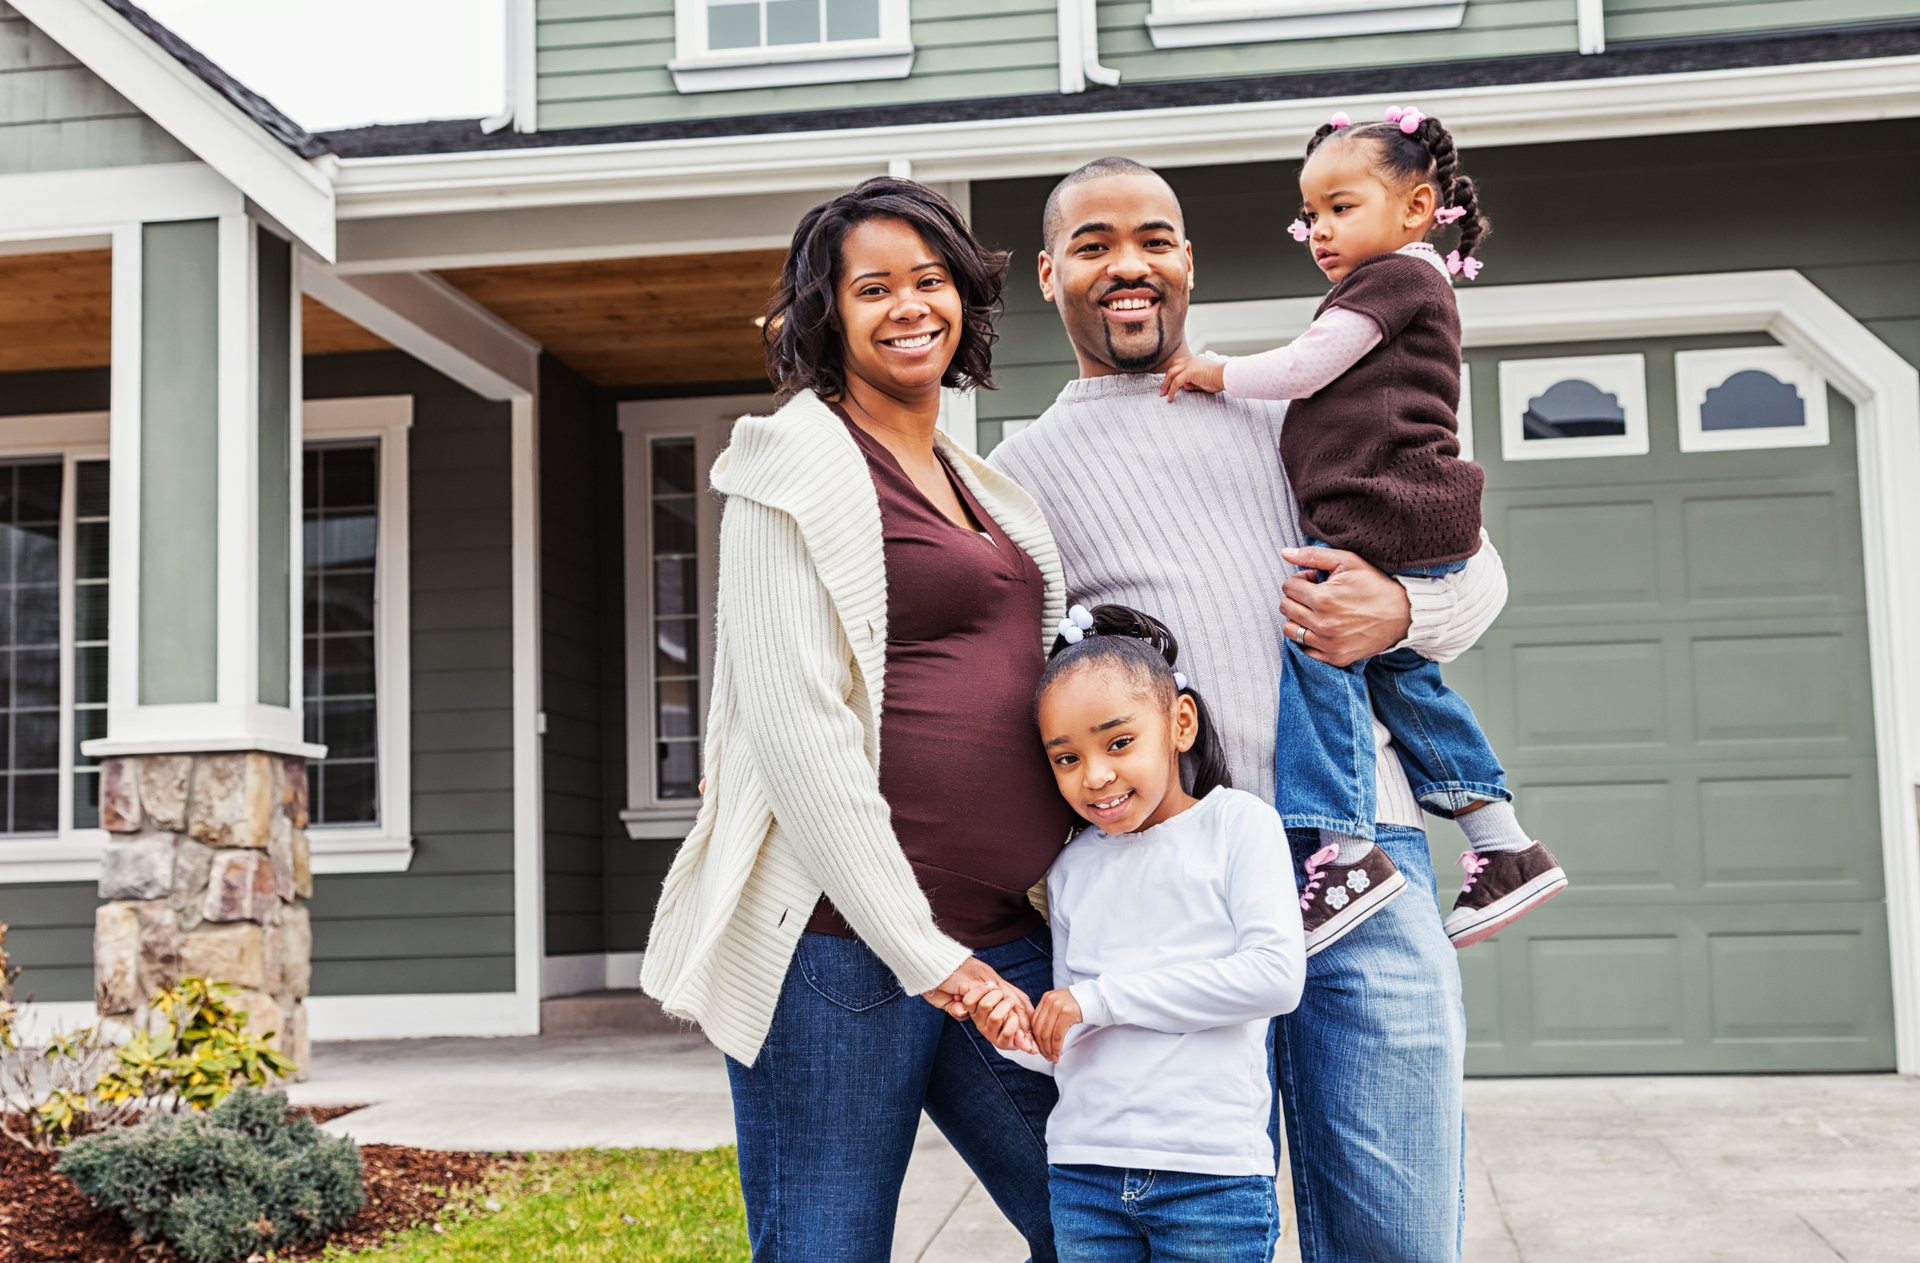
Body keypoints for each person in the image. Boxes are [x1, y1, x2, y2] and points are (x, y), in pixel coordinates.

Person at [987, 155, 1507, 1263]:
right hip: (1172, 895)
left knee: (1397, 1235)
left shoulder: (1293, 398)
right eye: (1093, 245)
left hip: (1361, 859)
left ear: (1188, 260)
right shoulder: (1019, 474)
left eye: (1154, 239)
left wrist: (1400, 609)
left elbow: (1479, 580)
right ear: (1047, 274)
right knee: (1194, 1232)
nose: (1128, 266)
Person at [640, 177, 1073, 1262]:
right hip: (841, 953)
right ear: (827, 315)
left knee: (1107, 1221)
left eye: (931, 281)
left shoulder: (977, 482)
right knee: (825, 1247)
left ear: (968, 299)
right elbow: (802, 739)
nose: (909, 307)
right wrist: (922, 952)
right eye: (872, 287)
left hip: (999, 937)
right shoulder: (794, 464)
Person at [1159, 108, 1567, 953]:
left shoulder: (1393, 280)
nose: (1319, 230)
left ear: (1417, 208)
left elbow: (1307, 366)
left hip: (1387, 510)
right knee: (1404, 680)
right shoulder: (1408, 283)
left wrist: (1215, 372)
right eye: (1310, 214)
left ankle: (1348, 851)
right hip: (1412, 513)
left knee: (1320, 649)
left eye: (1341, 207)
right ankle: (1505, 843)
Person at [963, 604, 1306, 1263]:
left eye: (1118, 742)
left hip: (1210, 1176)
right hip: (1083, 1172)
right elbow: (1077, 1034)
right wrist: (1020, 1036)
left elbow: (1274, 976)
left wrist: (1097, 999)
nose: (1094, 775)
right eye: (1066, 758)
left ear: (1180, 723)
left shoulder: (1240, 826)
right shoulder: (1070, 869)